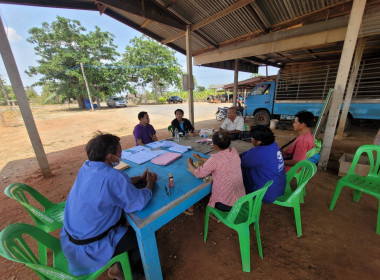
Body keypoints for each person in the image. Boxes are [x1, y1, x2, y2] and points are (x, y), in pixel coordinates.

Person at [60, 132, 158, 280]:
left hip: (73, 237)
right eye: (119, 150)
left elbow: (112, 185)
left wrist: (139, 179)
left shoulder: (87, 167)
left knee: (124, 223)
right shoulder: (113, 177)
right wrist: (150, 184)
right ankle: (119, 270)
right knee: (147, 233)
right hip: (91, 246)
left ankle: (122, 261)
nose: (121, 153)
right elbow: (138, 203)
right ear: (110, 157)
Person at [187, 130, 245, 212]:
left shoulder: (215, 159)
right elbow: (220, 162)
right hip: (240, 199)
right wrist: (201, 158)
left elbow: (198, 174)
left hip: (226, 204)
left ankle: (194, 207)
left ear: (215, 146)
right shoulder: (233, 151)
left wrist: (189, 164)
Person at [241, 125, 286, 203]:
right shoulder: (273, 145)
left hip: (266, 193)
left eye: (252, 138)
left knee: (240, 170)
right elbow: (250, 152)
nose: (251, 139)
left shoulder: (258, 153)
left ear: (259, 141)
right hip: (278, 187)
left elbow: (241, 163)